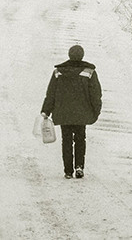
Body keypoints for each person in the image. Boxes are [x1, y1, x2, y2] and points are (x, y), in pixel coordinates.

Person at [40, 44, 102, 179]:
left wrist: (46, 110)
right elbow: (96, 94)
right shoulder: (89, 72)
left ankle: (68, 171)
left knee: (66, 140)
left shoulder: (58, 72)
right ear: (82, 55)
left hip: (64, 112)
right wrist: (96, 110)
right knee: (80, 139)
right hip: (82, 112)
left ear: (69, 55)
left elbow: (51, 92)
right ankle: (79, 166)